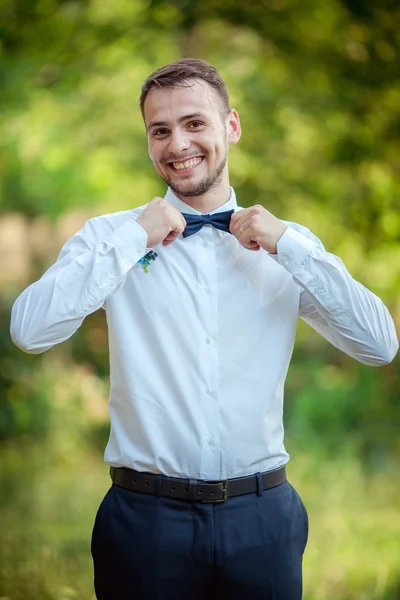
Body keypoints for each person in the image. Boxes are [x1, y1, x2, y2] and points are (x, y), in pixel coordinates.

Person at [10, 58, 398, 600]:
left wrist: (287, 244)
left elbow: (379, 344)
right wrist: (131, 241)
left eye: (195, 123)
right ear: (148, 142)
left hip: (264, 520)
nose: (177, 144)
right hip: (144, 523)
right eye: (160, 130)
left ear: (231, 127)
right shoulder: (110, 237)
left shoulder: (290, 247)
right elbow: (30, 330)